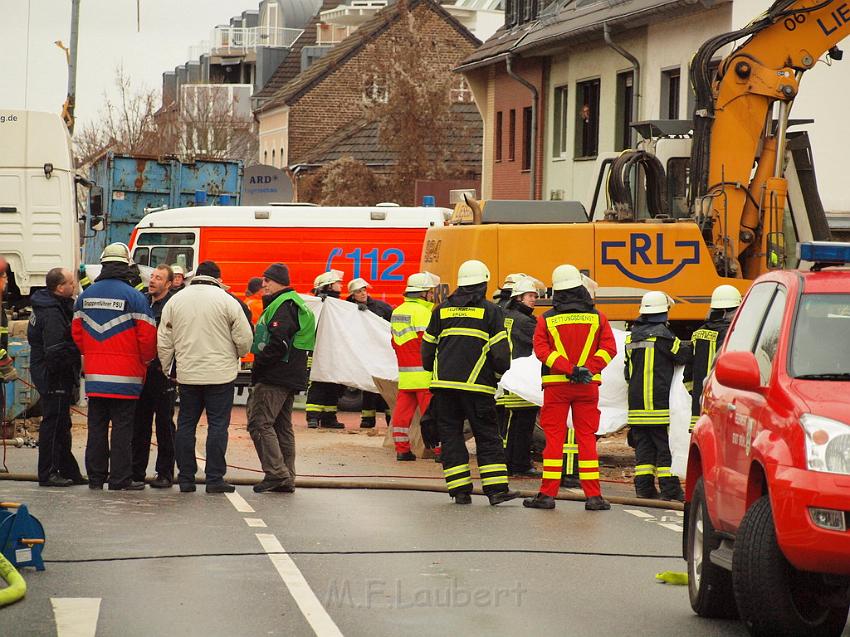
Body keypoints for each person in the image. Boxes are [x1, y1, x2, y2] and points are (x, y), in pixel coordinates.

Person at [422, 259, 519, 506]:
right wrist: (496, 376)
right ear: (483, 284)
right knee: (487, 437)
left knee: (451, 437)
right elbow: (500, 355)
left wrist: (438, 372)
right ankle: (496, 490)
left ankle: (460, 491)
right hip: (478, 388)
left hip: (444, 388)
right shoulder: (491, 311)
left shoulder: (440, 310)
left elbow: (427, 351)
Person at [524, 264, 617, 511]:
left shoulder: (546, 319)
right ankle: (594, 497)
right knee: (586, 440)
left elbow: (542, 352)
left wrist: (569, 369)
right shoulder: (598, 317)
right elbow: (609, 349)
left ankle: (546, 495)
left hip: (556, 387)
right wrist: (587, 369)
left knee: (554, 440)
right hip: (587, 387)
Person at [158, 260, 253, 493]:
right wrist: (238, 354)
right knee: (218, 426)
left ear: (196, 276)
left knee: (186, 424)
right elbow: (244, 337)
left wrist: (167, 366)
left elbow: (164, 338)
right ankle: (214, 479)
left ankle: (187, 478)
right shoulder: (227, 301)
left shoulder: (176, 300)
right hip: (220, 374)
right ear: (218, 279)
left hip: (188, 374)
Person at [72, 243, 157, 491]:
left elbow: (77, 335)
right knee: (122, 429)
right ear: (126, 265)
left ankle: (96, 479)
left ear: (103, 264)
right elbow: (147, 338)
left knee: (96, 428)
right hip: (127, 377)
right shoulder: (135, 297)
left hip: (96, 375)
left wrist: (92, 354)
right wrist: (146, 361)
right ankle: (120, 479)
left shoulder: (86, 296)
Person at [247, 263, 315, 493]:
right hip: (290, 372)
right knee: (281, 426)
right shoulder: (293, 302)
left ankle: (276, 473)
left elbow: (279, 342)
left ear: (279, 282)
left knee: (260, 423)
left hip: (276, 374)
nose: (263, 284)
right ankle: (286, 477)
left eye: (267, 280)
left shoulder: (283, 305)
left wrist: (260, 367)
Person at [623, 291, 692, 501]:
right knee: (665, 450)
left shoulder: (630, 337)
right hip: (658, 405)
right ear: (664, 312)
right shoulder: (664, 337)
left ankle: (643, 488)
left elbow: (627, 372)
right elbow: (683, 355)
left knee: (644, 450)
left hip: (636, 406)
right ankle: (670, 490)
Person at [30, 268, 84, 487]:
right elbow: (56, 350)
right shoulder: (51, 313)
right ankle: (49, 472)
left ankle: (68, 469)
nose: (75, 287)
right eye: (71, 283)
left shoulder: (53, 306)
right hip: (54, 376)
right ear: (61, 287)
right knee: (53, 424)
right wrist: (75, 357)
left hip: (51, 373)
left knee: (62, 423)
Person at [131, 264, 177, 488]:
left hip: (162, 372)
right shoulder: (142, 301)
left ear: (168, 284)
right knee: (140, 423)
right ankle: (136, 471)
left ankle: (165, 473)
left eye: (159, 278)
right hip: (141, 371)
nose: (152, 280)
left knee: (164, 424)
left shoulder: (172, 306)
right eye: (152, 276)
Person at [496, 276, 541, 477]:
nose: (533, 300)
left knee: (511, 422)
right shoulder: (525, 322)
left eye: (534, 296)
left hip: (508, 376)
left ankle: (509, 461)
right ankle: (519, 463)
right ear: (518, 297)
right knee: (523, 423)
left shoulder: (505, 314)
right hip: (523, 377)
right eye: (530, 296)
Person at [390, 272, 438, 461]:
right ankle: (439, 451)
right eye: (430, 292)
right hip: (424, 374)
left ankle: (402, 450)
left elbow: (394, 343)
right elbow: (430, 343)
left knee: (402, 414)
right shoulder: (425, 313)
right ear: (423, 293)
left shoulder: (397, 311)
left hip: (405, 373)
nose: (432, 295)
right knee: (433, 415)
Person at [685, 284, 742, 431]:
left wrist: (695, 392)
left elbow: (688, 373)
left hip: (700, 405)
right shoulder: (733, 335)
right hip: (722, 401)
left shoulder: (698, 333)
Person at [346, 277, 393, 429]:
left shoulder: (381, 307)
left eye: (364, 290)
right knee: (367, 385)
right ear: (353, 295)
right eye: (359, 292)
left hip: (381, 352)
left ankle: (390, 417)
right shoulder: (347, 309)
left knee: (386, 385)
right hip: (363, 353)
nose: (363, 294)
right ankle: (367, 419)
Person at [305, 270, 345, 429]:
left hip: (335, 350)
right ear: (328, 285)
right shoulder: (317, 303)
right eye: (337, 282)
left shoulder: (341, 305)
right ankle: (313, 417)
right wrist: (318, 302)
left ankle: (329, 417)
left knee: (333, 383)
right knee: (317, 382)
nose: (340, 285)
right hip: (318, 349)